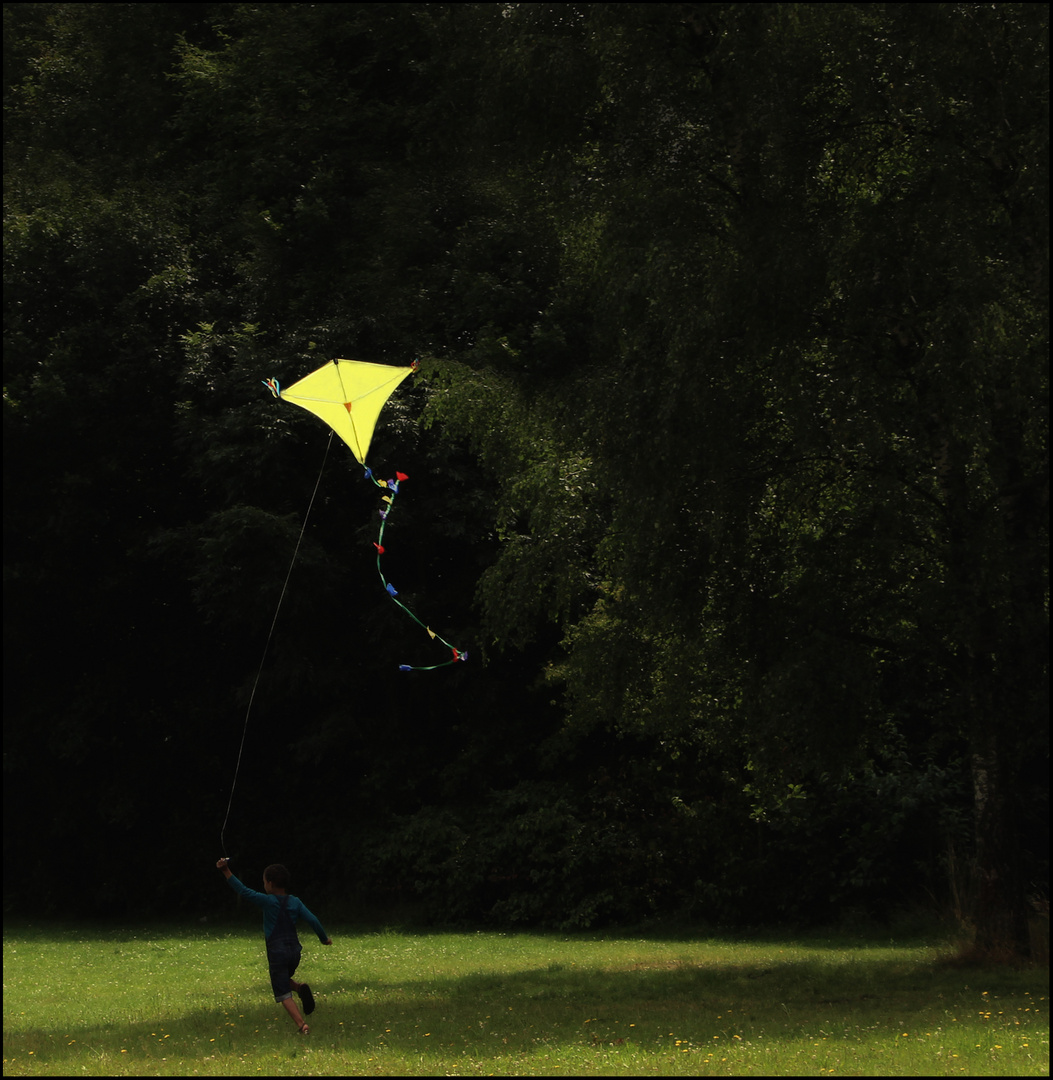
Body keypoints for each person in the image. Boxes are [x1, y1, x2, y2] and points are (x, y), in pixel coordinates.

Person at [216, 857, 332, 1035]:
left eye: (264, 882)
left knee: (283, 993)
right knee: (282, 978)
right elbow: (313, 920)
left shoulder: (267, 901)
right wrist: (324, 939)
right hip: (294, 952)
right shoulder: (295, 902)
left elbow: (243, 890)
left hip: (277, 952)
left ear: (269, 884)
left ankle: (302, 1025)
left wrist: (225, 871)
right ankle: (300, 988)